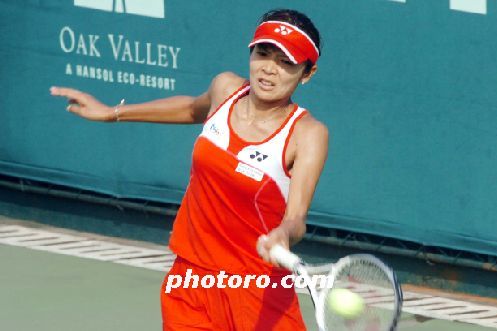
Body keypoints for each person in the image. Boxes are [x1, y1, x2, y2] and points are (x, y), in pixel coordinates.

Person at [51, 8, 328, 331]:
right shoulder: (225, 89)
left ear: (307, 73)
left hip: (255, 290)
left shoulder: (307, 134)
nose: (269, 69)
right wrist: (111, 112)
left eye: (286, 62)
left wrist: (283, 234)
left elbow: (296, 218)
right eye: (263, 53)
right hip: (190, 280)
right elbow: (189, 108)